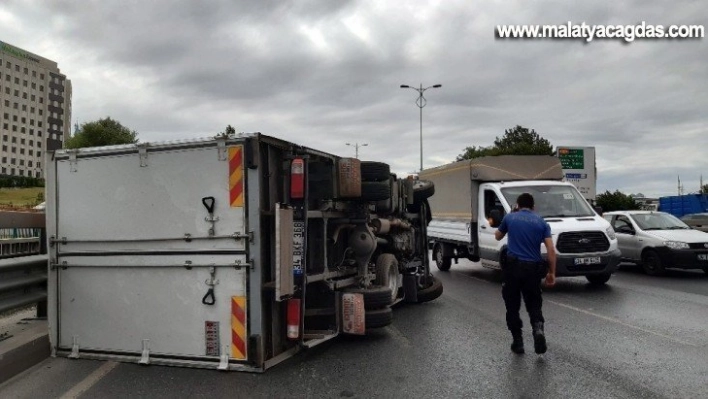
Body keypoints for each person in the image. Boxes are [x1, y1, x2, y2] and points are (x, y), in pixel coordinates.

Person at [494, 193, 557, 355]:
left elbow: (497, 236)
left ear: (517, 205)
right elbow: (550, 249)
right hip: (533, 270)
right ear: (533, 206)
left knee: (512, 307)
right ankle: (538, 330)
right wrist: (552, 272)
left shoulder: (510, 218)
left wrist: (512, 215)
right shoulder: (541, 222)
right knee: (534, 304)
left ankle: (518, 342)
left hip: (513, 269)